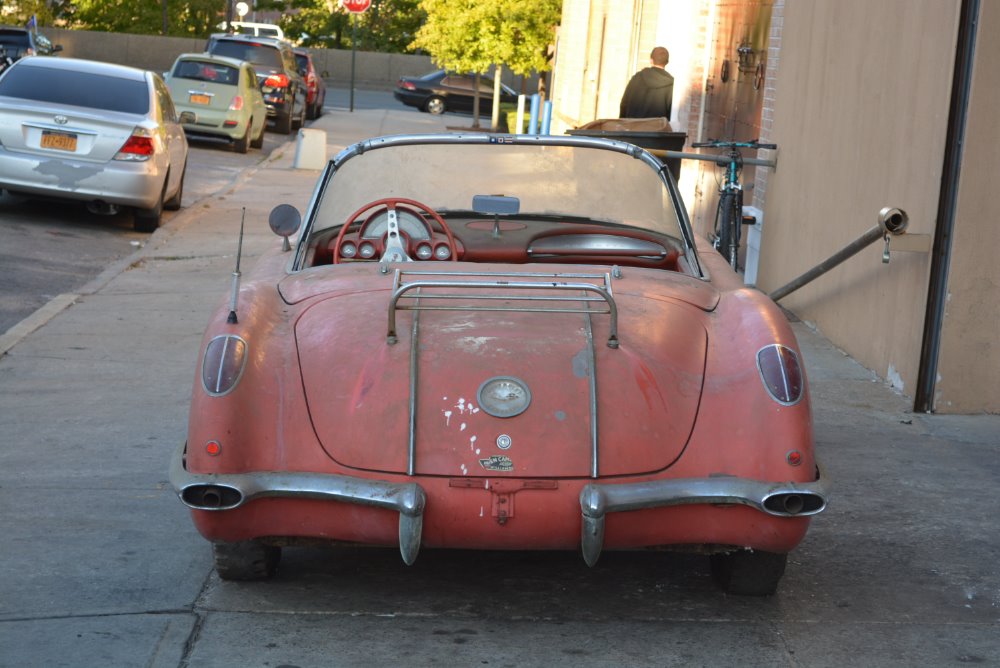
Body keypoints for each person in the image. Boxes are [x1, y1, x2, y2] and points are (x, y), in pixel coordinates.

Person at [619, 46, 674, 119]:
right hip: (656, 128)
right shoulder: (670, 83)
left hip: (633, 127)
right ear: (667, 62)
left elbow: (624, 104)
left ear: (651, 60)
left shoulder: (636, 78)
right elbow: (670, 111)